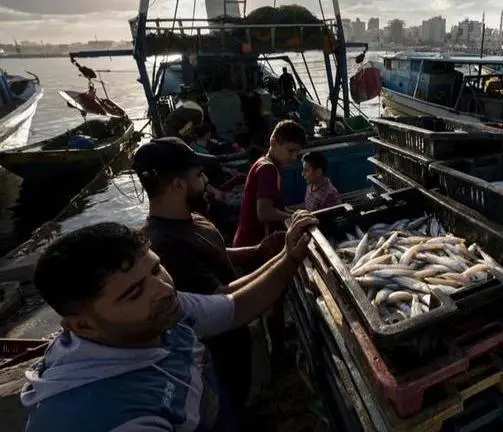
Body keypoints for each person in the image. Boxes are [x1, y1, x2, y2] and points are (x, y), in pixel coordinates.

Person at [21, 213, 317, 431]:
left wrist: (288, 258)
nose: (164, 289)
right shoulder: (111, 417)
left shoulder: (159, 313)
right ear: (83, 326)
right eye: (134, 293)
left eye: (157, 269)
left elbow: (236, 307)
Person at [131, 137, 284, 418]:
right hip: (215, 361)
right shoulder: (164, 245)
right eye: (199, 175)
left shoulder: (192, 219)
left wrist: (258, 250)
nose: (205, 182)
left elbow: (215, 251)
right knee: (228, 413)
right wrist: (286, 261)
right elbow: (222, 298)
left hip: (236, 344)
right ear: (178, 185)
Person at [233, 120, 305, 365]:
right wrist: (293, 217)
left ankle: (275, 347)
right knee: (272, 299)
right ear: (274, 143)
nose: (294, 157)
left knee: (268, 301)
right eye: (290, 150)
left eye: (297, 152)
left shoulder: (262, 164)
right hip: (256, 245)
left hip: (249, 241)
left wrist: (287, 212)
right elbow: (264, 212)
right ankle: (278, 354)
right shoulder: (268, 170)